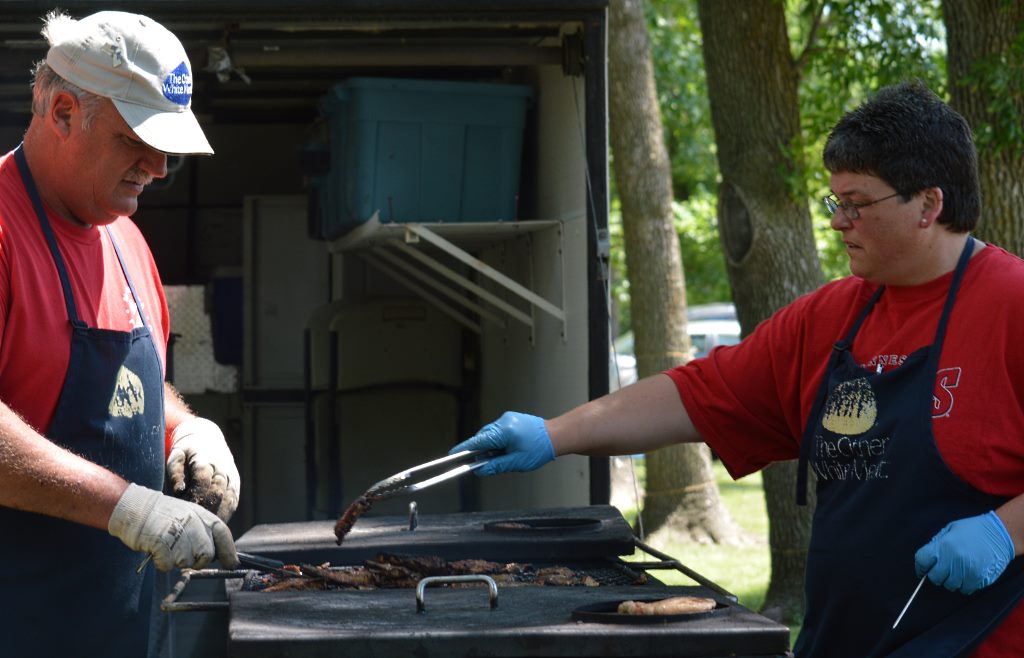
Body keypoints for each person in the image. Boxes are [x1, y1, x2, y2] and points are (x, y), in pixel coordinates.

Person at [451, 80, 1024, 658]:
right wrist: (554, 433)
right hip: (845, 640)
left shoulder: (1012, 305)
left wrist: (1006, 532)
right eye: (834, 202)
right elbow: (698, 395)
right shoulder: (829, 317)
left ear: (929, 203)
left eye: (857, 203)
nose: (837, 221)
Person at [0, 10, 242, 656]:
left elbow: (126, 386)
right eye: (137, 137)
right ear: (62, 112)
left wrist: (185, 428)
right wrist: (127, 507)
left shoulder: (127, 241)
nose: (158, 167)